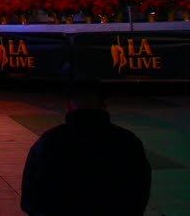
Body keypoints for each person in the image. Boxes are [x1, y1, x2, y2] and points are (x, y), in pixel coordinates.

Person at [21, 79, 151, 216]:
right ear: (104, 104)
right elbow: (140, 191)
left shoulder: (49, 142)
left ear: (69, 106)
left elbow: (30, 198)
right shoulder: (127, 142)